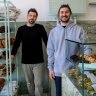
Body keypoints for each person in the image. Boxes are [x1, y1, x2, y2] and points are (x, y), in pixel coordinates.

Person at [47, 4, 91, 96]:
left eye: (66, 12)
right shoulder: (53, 32)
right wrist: (50, 68)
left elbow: (86, 47)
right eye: (62, 12)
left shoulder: (79, 30)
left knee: (73, 94)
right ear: (59, 14)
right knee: (59, 93)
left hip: (74, 71)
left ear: (70, 14)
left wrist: (85, 64)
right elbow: (50, 52)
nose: (64, 14)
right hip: (58, 70)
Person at [11, 8, 48, 96]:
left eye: (34, 16)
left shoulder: (40, 27)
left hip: (38, 61)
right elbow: (16, 43)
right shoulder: (21, 29)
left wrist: (50, 52)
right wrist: (12, 54)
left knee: (38, 84)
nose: (32, 17)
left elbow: (47, 41)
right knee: (29, 83)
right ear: (27, 16)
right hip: (26, 61)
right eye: (30, 15)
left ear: (36, 18)